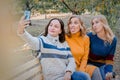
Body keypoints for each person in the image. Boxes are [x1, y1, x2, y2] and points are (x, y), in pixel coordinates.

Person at [17, 16, 90, 80]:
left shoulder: (64, 44)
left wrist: (68, 72)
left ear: (60, 31)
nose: (52, 28)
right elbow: (32, 41)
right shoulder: (43, 41)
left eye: (56, 26)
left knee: (84, 77)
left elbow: (71, 60)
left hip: (67, 76)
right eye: (51, 25)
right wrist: (22, 31)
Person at [65, 15, 102, 80]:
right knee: (85, 76)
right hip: (69, 68)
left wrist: (81, 70)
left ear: (80, 25)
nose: (72, 25)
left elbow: (85, 58)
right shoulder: (65, 37)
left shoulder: (86, 38)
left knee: (95, 70)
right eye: (70, 23)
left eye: (75, 23)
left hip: (81, 66)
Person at [87, 15, 117, 80]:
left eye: (97, 22)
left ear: (103, 23)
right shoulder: (90, 36)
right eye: (93, 23)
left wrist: (108, 71)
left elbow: (109, 59)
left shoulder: (113, 40)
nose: (94, 25)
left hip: (102, 65)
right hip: (89, 64)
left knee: (106, 77)